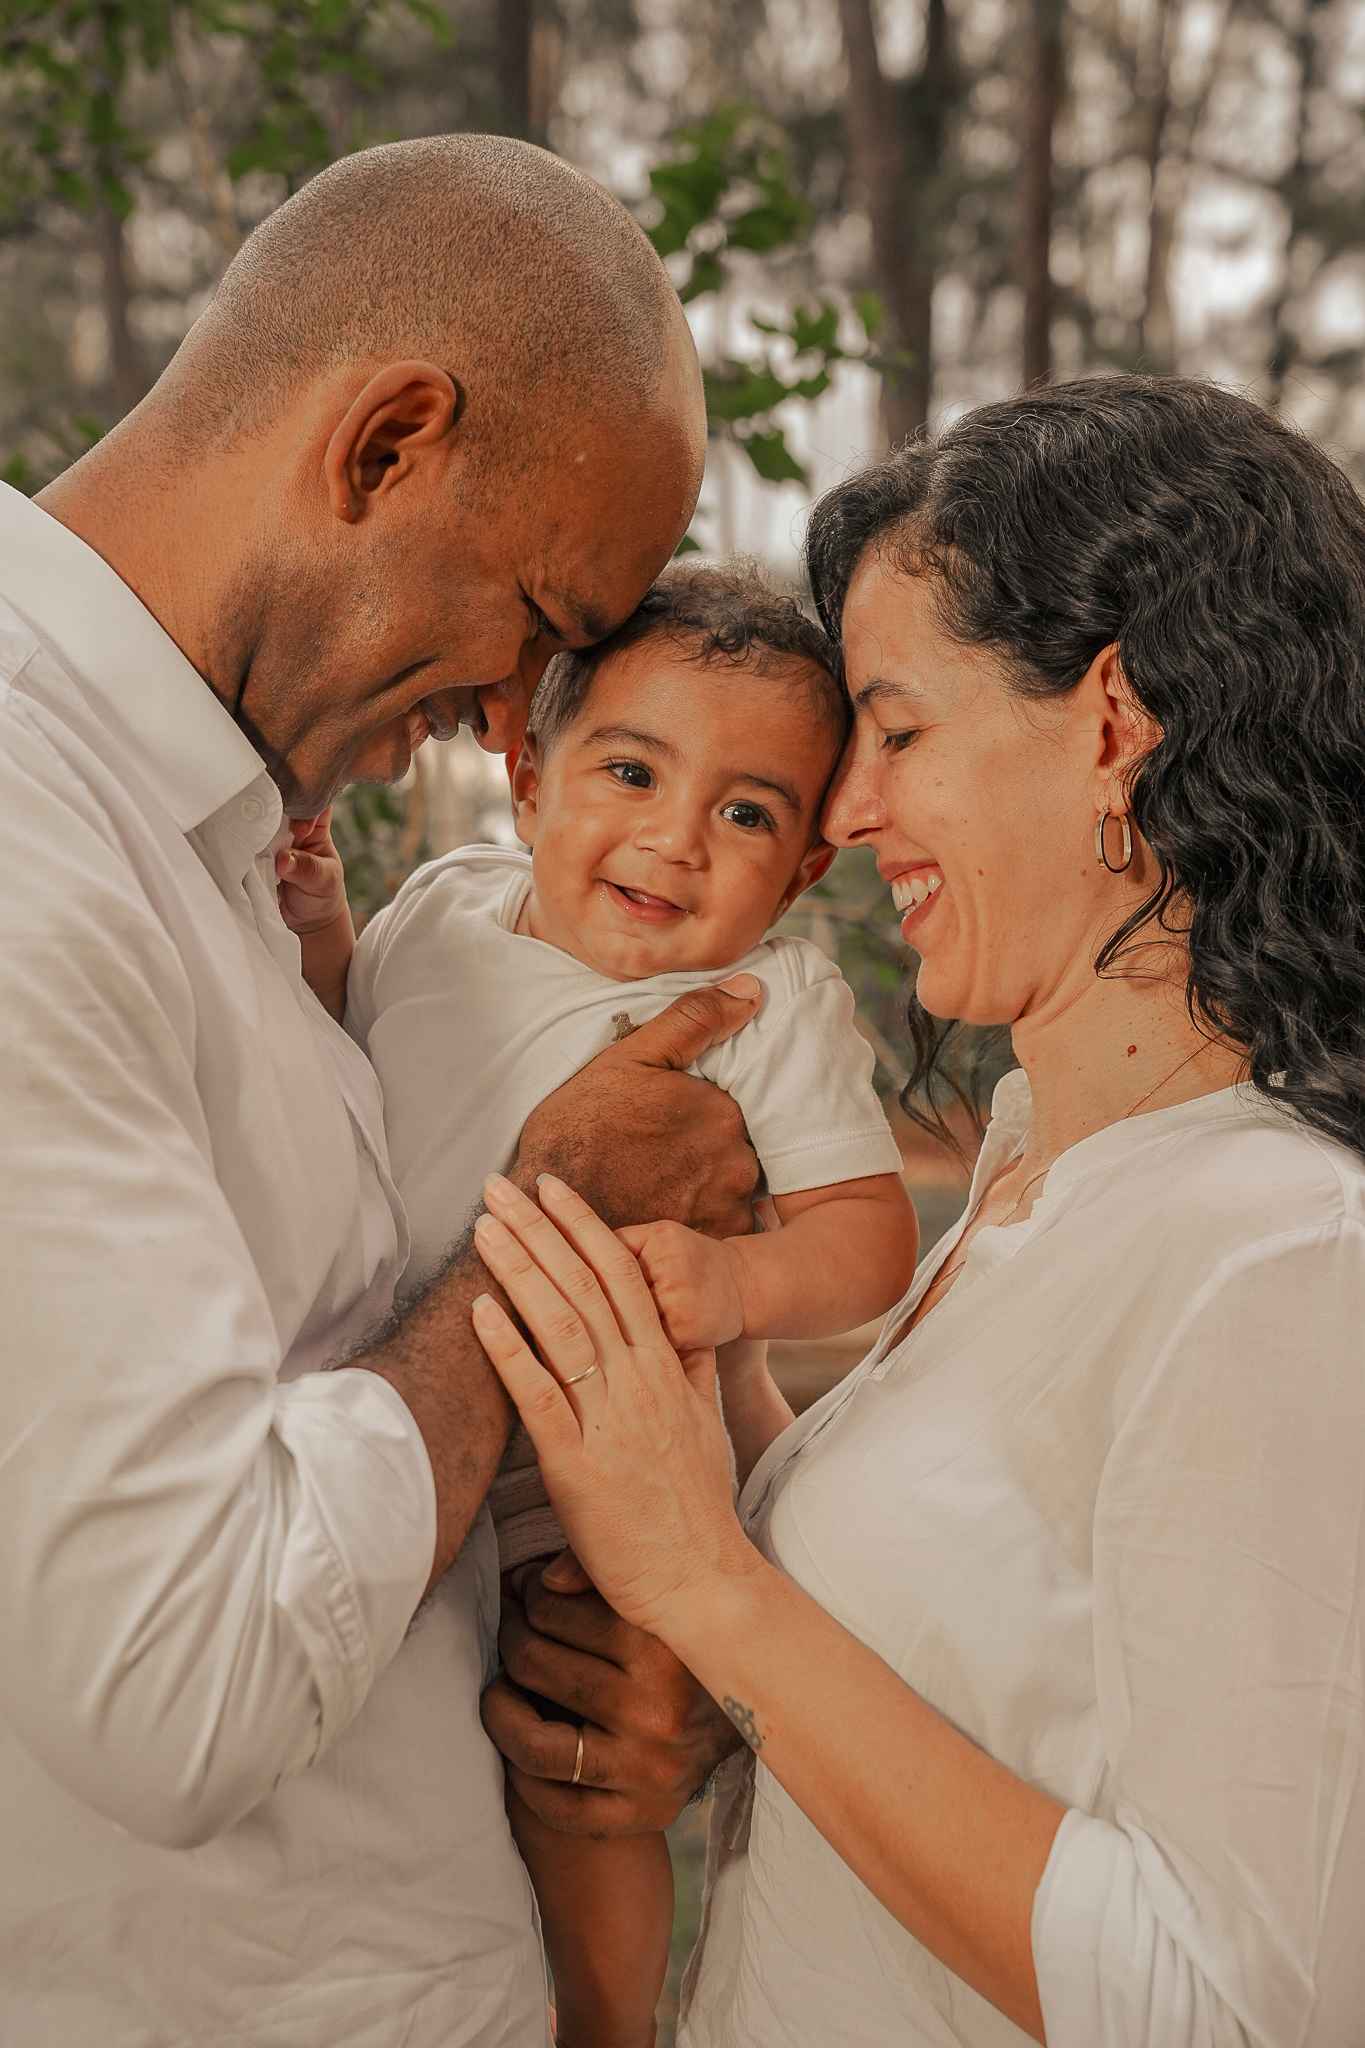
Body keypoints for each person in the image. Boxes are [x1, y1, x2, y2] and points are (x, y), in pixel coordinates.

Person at [466, 376, 1365, 2046]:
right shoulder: (1036, 1189)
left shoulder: (1282, 1259)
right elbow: (976, 1696)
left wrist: (709, 1591)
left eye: (894, 729)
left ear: (1112, 721)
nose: (846, 810)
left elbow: (1236, 2007)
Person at [0, 134, 752, 2046]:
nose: (521, 723)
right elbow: (178, 1678)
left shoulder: (217, 832)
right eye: (544, 617)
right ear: (384, 443)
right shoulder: (31, 839)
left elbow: (311, 1380)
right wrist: (547, 1232)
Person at [283, 559, 917, 2045]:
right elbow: (341, 1064)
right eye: (631, 769)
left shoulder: (765, 1005)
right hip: (410, 1412)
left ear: (803, 870)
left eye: (748, 812)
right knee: (410, 1767)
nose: (676, 841)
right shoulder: (439, 915)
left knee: (583, 1791)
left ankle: (609, 2028)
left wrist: (736, 1277)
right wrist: (318, 938)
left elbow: (868, 1237)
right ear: (526, 772)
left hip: (596, 1474)